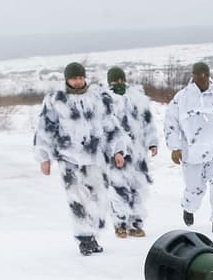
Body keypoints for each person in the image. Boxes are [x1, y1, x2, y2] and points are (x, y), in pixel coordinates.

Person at [33, 61, 126, 256]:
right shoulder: (56, 100)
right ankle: (84, 239)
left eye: (81, 77)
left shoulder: (99, 98)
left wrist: (118, 151)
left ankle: (92, 233)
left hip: (94, 158)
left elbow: (111, 126)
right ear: (67, 79)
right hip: (68, 158)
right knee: (76, 200)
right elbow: (44, 129)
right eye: (74, 78)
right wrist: (44, 157)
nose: (78, 81)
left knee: (97, 199)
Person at [164, 62, 213, 235]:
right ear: (193, 75)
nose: (203, 78)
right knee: (194, 189)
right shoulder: (182, 97)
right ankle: (189, 207)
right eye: (199, 75)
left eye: (206, 74)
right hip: (192, 152)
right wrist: (175, 147)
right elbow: (170, 123)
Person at [104, 66, 158, 238]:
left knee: (137, 187)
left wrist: (152, 143)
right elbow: (104, 127)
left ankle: (136, 223)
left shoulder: (138, 100)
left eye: (120, 80)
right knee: (119, 187)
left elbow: (148, 123)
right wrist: (113, 150)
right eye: (114, 81)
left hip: (137, 152)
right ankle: (120, 222)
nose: (118, 84)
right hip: (116, 153)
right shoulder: (105, 100)